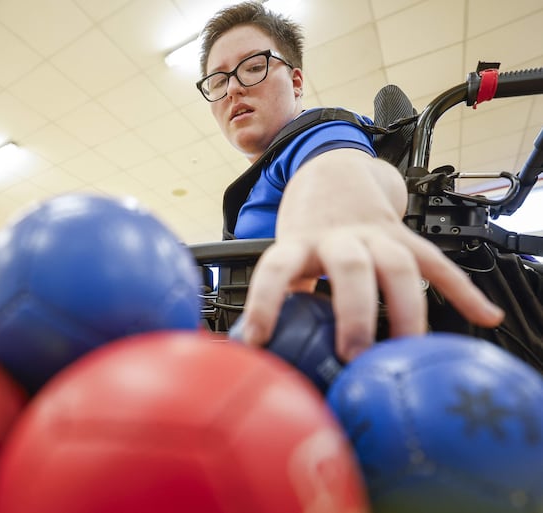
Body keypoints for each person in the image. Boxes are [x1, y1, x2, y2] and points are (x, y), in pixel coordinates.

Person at [197, 1, 504, 361]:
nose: (234, 89)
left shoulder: (320, 132)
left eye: (253, 67)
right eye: (218, 80)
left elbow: (337, 164)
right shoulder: (261, 176)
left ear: (296, 82)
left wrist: (339, 193)